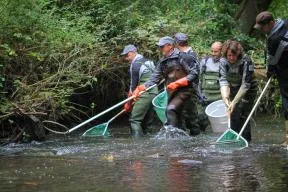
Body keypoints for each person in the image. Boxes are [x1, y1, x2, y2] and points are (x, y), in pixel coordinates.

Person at [131, 36, 199, 134]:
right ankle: (177, 142)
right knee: (178, 120)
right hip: (172, 93)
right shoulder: (163, 61)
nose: (160, 49)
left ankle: (179, 139)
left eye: (162, 46)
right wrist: (141, 88)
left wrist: (178, 83)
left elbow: (194, 74)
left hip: (187, 92)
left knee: (182, 116)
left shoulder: (184, 57)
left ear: (170, 46)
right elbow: (154, 78)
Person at [254, 11, 288, 145]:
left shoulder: (274, 39)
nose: (262, 30)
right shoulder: (285, 22)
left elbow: (273, 61)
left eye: (263, 27)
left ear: (271, 23)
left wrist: (270, 73)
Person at [219, 40, 257, 142]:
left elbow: (246, 84)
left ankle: (246, 140)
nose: (231, 58)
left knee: (243, 113)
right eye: (229, 55)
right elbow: (223, 81)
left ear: (238, 53)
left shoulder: (246, 60)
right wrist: (226, 99)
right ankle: (234, 139)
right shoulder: (222, 60)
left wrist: (234, 102)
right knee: (233, 114)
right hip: (233, 87)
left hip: (248, 89)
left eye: (233, 55)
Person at [121, 45, 158, 137]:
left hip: (145, 93)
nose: (126, 58)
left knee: (135, 120)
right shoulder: (149, 61)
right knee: (147, 122)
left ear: (133, 52)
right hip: (154, 93)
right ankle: (148, 143)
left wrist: (128, 103)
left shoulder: (135, 65)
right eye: (125, 56)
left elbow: (133, 87)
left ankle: (137, 144)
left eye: (127, 55)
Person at [173, 32, 201, 135]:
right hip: (185, 90)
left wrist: (180, 82)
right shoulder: (184, 54)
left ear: (176, 43)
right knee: (185, 117)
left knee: (191, 119)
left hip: (189, 91)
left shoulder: (189, 56)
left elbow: (194, 74)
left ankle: (196, 141)